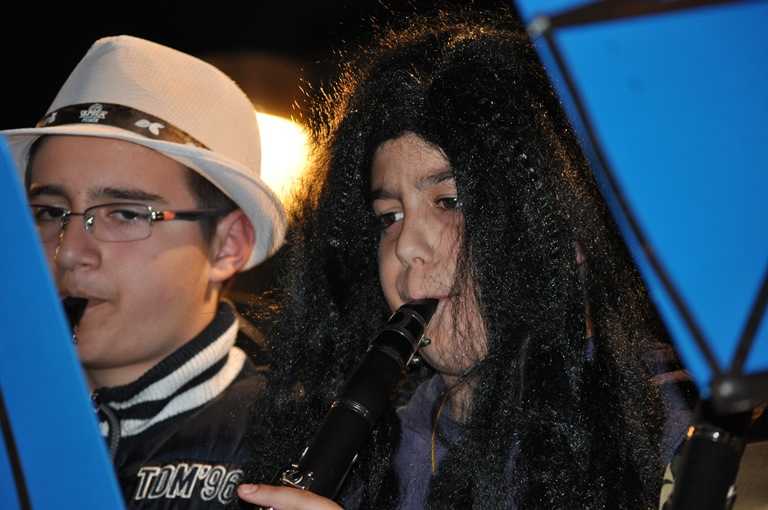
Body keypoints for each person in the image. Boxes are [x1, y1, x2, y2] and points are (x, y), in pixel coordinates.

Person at [236, 10, 692, 510]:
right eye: (389, 217)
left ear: (564, 229)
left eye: (450, 201)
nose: (406, 245)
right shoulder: (376, 456)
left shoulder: (676, 428)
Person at [1, 35, 286, 508]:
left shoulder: (294, 445)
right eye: (50, 212)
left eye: (125, 214)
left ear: (228, 246)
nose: (70, 252)